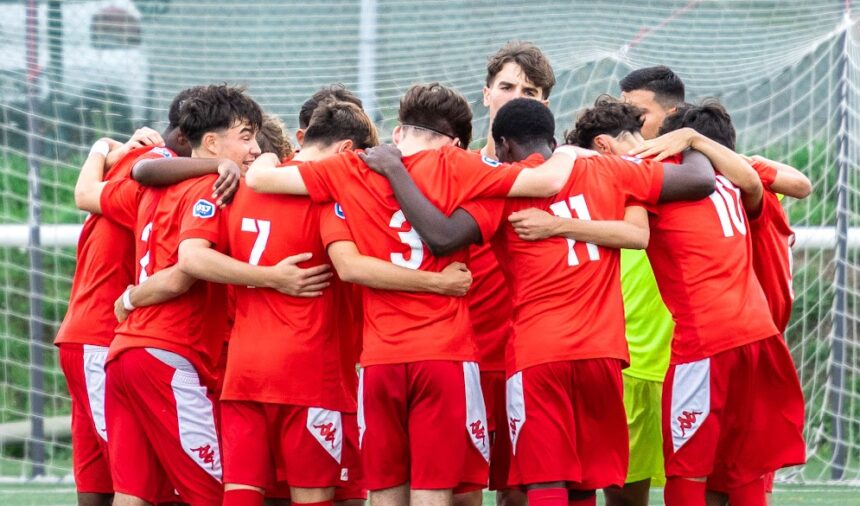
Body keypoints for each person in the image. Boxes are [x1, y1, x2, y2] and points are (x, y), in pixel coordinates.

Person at [356, 97, 715, 506]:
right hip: (604, 354)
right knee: (584, 484)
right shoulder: (607, 169)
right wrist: (690, 138)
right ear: (551, 137)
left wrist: (395, 170)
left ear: (505, 146)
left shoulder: (506, 189)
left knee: (546, 480)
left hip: (538, 356)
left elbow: (442, 235)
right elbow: (700, 181)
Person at [246, 83, 582, 506]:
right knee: (436, 491)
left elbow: (260, 178)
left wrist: (270, 154)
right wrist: (573, 150)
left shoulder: (351, 168)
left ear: (400, 131)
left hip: (380, 359)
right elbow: (548, 178)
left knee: (385, 492)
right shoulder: (459, 164)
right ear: (455, 140)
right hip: (442, 353)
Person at [103, 84, 263, 506]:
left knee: (134, 494)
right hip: (167, 353)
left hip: (125, 354)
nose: (254, 148)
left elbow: (137, 175)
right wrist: (272, 277)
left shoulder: (158, 186)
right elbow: (185, 269)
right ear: (211, 142)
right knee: (214, 492)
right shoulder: (208, 188)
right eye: (245, 136)